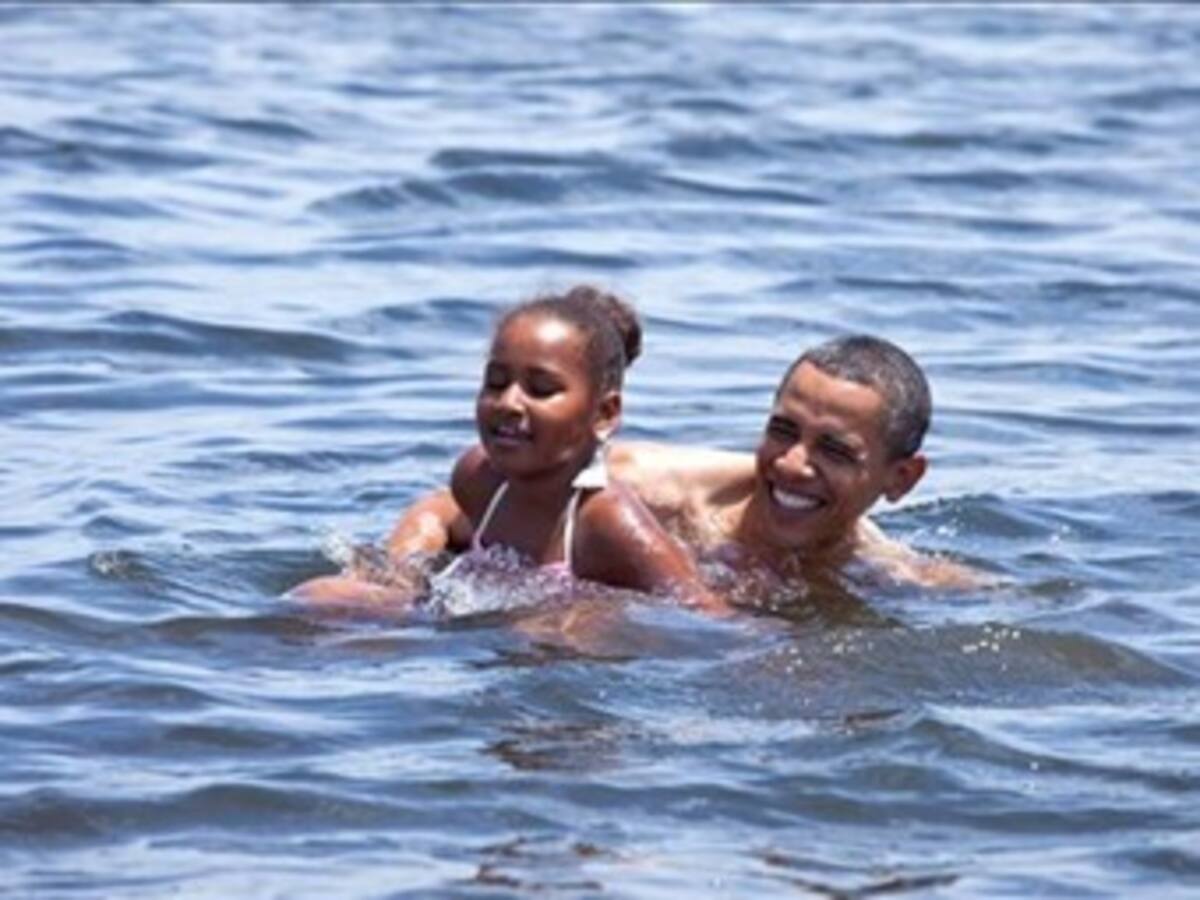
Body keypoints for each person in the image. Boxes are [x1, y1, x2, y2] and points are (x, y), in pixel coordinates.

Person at [378, 334, 980, 599]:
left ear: (900, 479)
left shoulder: (882, 571)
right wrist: (396, 580)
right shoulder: (649, 486)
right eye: (782, 431)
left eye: (835, 450)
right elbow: (448, 505)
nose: (793, 466)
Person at [290, 285, 723, 614]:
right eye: (495, 383)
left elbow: (702, 610)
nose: (509, 403)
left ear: (604, 414)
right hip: (476, 640)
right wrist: (400, 573)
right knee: (317, 597)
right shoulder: (481, 477)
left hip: (564, 660)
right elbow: (436, 513)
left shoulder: (606, 519)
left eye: (541, 389)